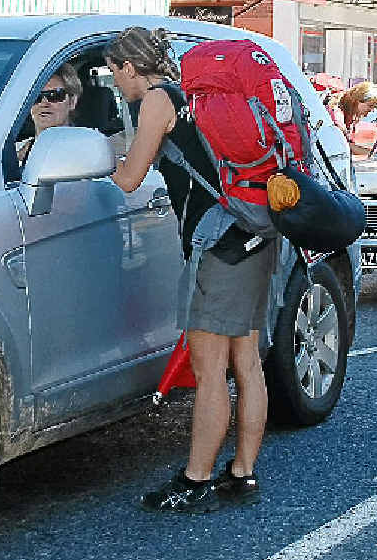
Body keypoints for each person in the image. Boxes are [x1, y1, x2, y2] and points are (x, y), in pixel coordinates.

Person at [105, 27, 272, 513]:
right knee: (246, 361)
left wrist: (105, 163)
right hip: (254, 228)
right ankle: (242, 473)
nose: (116, 84)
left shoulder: (157, 101)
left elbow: (129, 178)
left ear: (130, 68)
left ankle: (196, 480)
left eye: (115, 74)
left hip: (218, 244)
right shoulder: (193, 96)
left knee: (210, 369)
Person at [16, 63, 82, 165]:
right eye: (36, 97)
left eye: (54, 95)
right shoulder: (11, 152)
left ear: (72, 102)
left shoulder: (86, 148)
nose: (44, 103)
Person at [329, 81, 377, 157]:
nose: (371, 110)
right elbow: (343, 146)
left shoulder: (348, 115)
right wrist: (374, 153)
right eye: (370, 106)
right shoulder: (337, 115)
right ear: (357, 101)